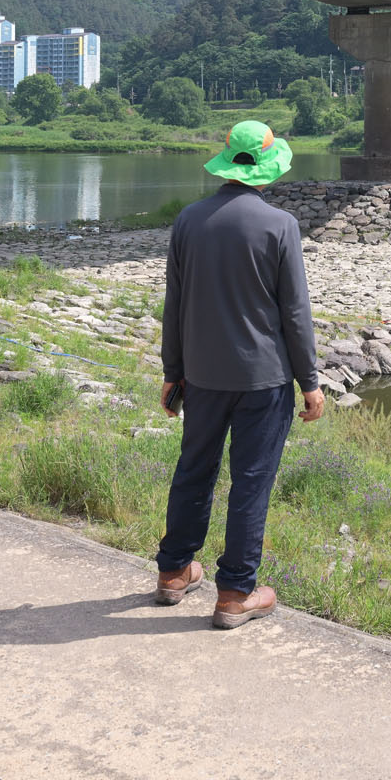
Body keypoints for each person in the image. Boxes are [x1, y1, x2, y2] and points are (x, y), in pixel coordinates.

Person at [154, 120, 324, 628]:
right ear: (268, 169)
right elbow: (295, 312)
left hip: (202, 376)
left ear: (227, 162)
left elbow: (175, 303)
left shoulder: (189, 220)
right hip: (263, 380)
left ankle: (174, 572)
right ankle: (234, 595)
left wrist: (172, 371)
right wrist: (310, 381)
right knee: (251, 482)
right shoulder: (279, 225)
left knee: (193, 469)